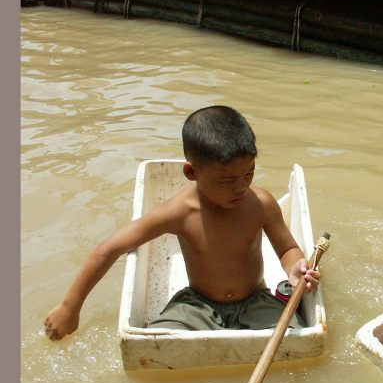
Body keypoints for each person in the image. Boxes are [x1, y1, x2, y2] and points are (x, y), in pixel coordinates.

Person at [44, 105, 320, 341]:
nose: (240, 187)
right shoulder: (178, 212)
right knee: (157, 344)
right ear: (191, 172)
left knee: (291, 340)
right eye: (226, 180)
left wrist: (295, 268)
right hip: (197, 306)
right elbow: (108, 249)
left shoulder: (260, 203)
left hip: (256, 301)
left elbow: (287, 249)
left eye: (248, 173)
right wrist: (70, 307)